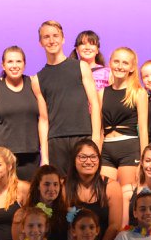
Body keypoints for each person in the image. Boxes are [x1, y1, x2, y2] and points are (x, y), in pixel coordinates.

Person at [36, 21, 102, 175]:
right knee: (60, 186)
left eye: (55, 36)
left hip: (83, 136)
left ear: (63, 39)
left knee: (85, 184)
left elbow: (95, 104)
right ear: (40, 42)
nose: (51, 40)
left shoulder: (81, 67)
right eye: (46, 37)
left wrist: (95, 140)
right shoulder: (38, 79)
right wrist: (44, 156)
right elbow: (44, 119)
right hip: (56, 141)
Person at [0, 46, 48, 182]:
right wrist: (3, 120)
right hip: (0, 154)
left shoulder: (34, 84)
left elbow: (43, 119)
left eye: (18, 61)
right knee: (2, 194)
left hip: (30, 153)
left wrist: (45, 156)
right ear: (3, 65)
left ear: (24, 64)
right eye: (10, 62)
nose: (14, 66)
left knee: (29, 193)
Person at [99, 47, 148, 189]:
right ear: (110, 63)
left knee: (127, 193)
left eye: (125, 63)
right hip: (106, 150)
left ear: (132, 67)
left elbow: (143, 129)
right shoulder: (101, 93)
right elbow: (100, 130)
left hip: (129, 149)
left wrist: (144, 160)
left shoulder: (138, 93)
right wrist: (97, 154)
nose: (120, 66)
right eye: (116, 61)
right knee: (105, 193)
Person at [65, 138, 123, 240]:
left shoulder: (112, 186)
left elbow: (114, 226)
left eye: (93, 157)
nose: (88, 161)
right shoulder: (64, 186)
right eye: (83, 157)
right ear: (74, 160)